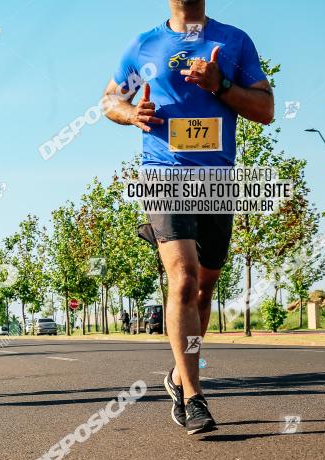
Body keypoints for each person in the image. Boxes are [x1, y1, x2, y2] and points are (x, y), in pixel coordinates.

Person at [103, 0, 273, 434]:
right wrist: (130, 113)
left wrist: (221, 85)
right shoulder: (143, 45)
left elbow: (265, 110)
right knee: (183, 277)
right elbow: (109, 100)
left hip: (217, 178)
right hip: (163, 174)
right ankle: (194, 396)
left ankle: (179, 374)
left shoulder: (234, 41)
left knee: (204, 289)